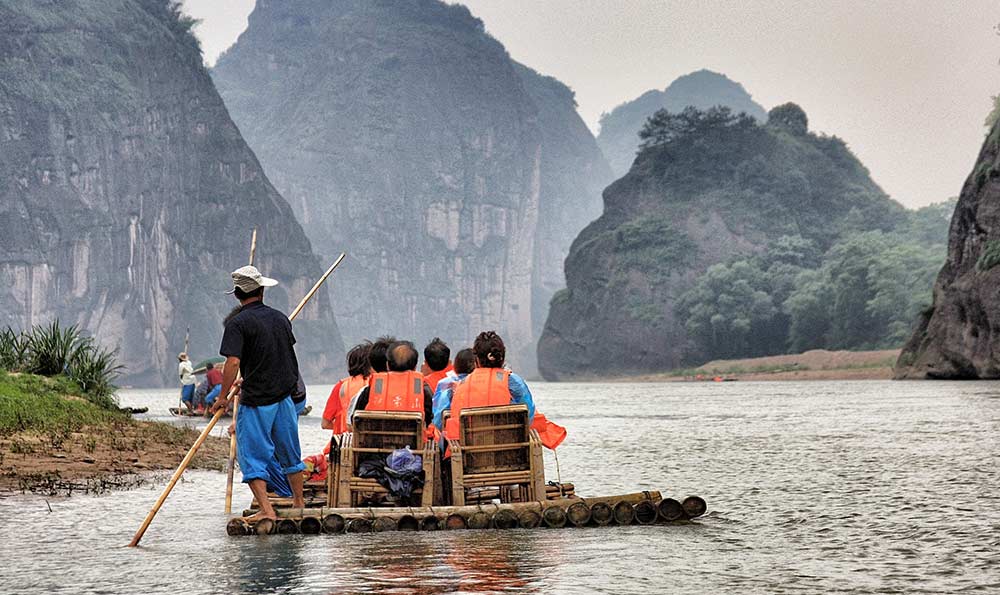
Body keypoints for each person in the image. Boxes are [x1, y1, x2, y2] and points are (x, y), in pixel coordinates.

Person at [211, 265, 306, 522]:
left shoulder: (237, 323)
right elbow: (280, 356)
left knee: (252, 455)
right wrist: (248, 378)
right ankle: (298, 501)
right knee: (290, 452)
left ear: (237, 294)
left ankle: (267, 510)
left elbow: (232, 362)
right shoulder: (280, 319)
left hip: (257, 402)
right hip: (284, 398)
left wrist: (222, 397)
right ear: (262, 290)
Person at [444, 331, 535, 441]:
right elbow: (529, 416)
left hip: (470, 452)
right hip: (510, 448)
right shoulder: (514, 382)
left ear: (476, 360)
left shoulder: (461, 385)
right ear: (502, 358)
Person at [352, 340, 433, 426]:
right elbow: (427, 420)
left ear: (387, 365)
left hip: (373, 439)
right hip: (414, 439)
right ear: (415, 367)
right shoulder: (422, 392)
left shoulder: (371, 390)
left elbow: (355, 419)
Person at [323, 342, 372, 435]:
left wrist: (339, 426)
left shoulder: (341, 385)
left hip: (343, 441)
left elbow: (325, 424)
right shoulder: (378, 386)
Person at [431, 348, 476, 430]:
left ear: (455, 366)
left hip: (452, 438)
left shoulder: (444, 384)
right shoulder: (481, 385)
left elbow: (437, 421)